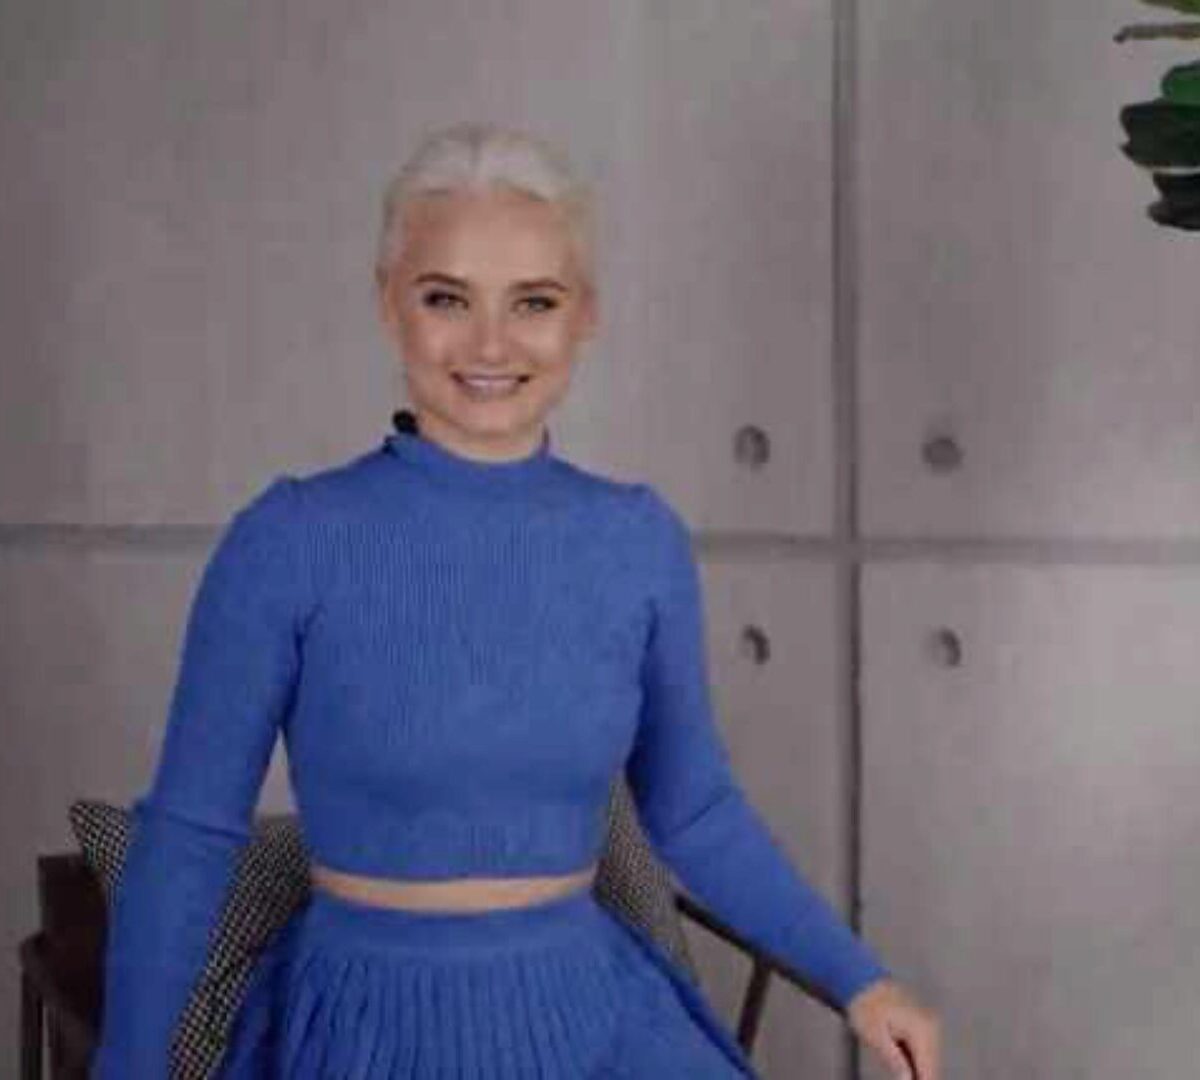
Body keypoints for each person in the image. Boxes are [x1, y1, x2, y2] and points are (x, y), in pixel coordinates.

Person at [90, 121, 942, 1079]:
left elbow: (695, 811)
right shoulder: (287, 541)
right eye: (446, 298)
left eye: (533, 301)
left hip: (596, 1021)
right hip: (362, 1028)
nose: (491, 344)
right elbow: (191, 835)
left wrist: (862, 984)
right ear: (388, 303)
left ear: (585, 316)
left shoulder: (637, 541)